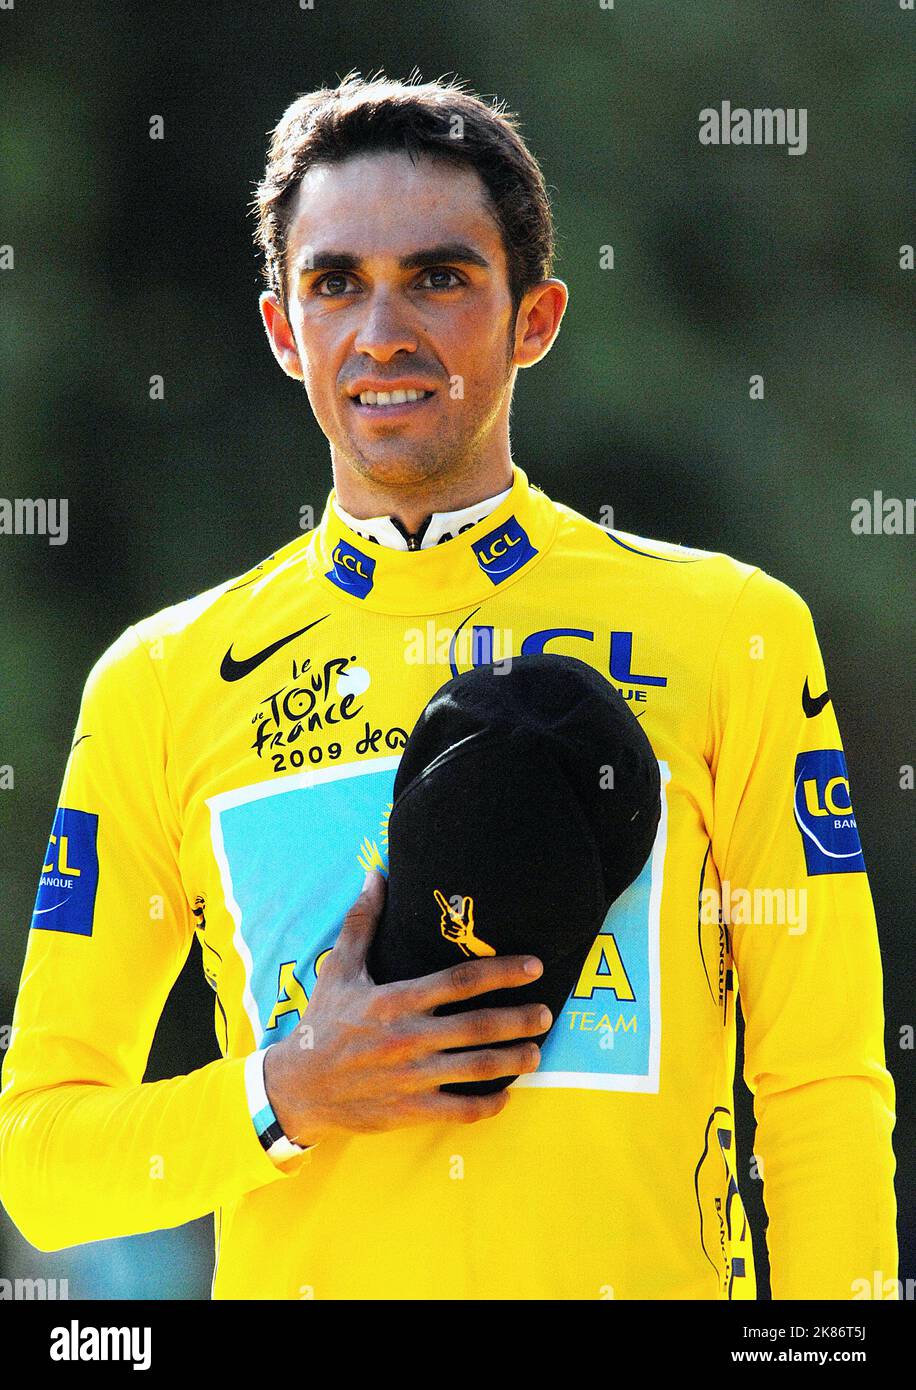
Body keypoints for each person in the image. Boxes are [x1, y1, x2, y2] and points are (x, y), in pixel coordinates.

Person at [0, 72, 897, 1300]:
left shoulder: (731, 630)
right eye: (334, 284)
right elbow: (45, 1163)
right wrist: (290, 1091)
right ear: (281, 330)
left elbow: (822, 1086)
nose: (382, 333)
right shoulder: (159, 682)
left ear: (534, 318)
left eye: (437, 276)